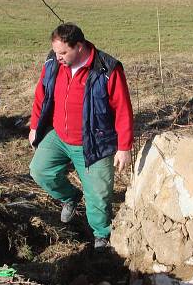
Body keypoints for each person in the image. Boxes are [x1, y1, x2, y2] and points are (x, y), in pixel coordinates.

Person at [29, 23, 133, 249]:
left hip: (95, 140)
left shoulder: (107, 69)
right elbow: (42, 94)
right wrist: (35, 125)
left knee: (98, 193)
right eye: (56, 52)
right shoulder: (53, 63)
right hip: (59, 135)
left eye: (63, 52)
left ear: (79, 46)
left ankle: (101, 235)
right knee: (39, 170)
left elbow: (123, 109)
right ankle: (70, 197)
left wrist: (124, 147)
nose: (58, 57)